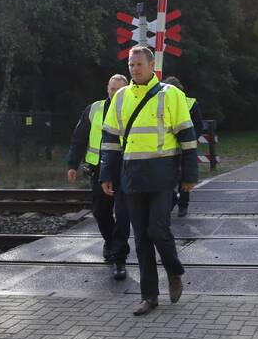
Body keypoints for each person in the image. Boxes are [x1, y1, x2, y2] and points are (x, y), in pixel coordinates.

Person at [100, 46, 198, 315]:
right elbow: (109, 140)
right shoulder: (120, 97)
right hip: (131, 177)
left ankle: (174, 271)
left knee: (157, 230)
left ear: (152, 66)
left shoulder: (171, 95)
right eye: (131, 65)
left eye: (139, 64)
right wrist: (106, 174)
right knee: (141, 238)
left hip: (162, 175)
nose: (134, 69)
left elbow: (188, 138)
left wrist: (189, 176)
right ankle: (149, 296)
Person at [67, 74, 131, 280]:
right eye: (112, 89)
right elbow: (79, 138)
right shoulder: (93, 109)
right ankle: (111, 242)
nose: (115, 93)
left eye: (119, 90)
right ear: (107, 89)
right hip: (97, 170)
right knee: (101, 212)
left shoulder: (133, 108)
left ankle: (118, 257)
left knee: (123, 215)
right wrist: (72, 164)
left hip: (124, 169)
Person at [163, 76, 204, 218]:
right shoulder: (160, 102)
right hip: (167, 147)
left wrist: (190, 141)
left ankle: (183, 205)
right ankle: (173, 200)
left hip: (185, 147)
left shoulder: (191, 103)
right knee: (167, 176)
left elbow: (198, 125)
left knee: (185, 176)